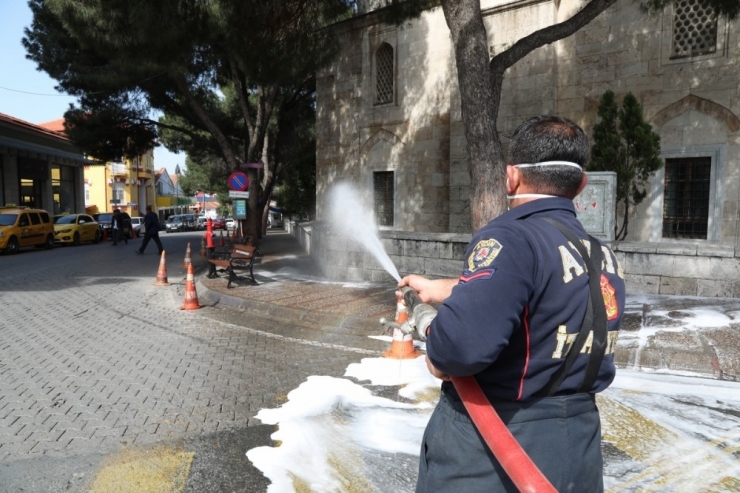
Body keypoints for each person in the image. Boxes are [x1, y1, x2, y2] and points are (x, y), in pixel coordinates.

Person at [399, 115, 625, 492]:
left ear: (512, 177)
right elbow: (544, 295)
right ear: (581, 184)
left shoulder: (509, 237)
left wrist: (437, 344)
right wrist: (448, 288)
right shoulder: (601, 255)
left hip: (495, 449)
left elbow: (458, 351)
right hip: (578, 448)